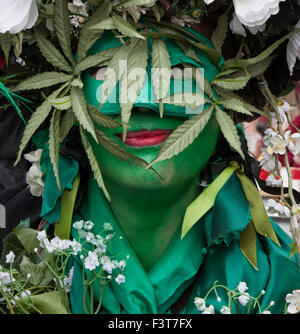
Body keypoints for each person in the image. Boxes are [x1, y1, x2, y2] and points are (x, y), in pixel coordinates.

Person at [36, 27, 300, 315]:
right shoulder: (28, 258)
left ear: (230, 102)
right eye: (109, 71)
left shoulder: (278, 277)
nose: (144, 100)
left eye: (180, 72)